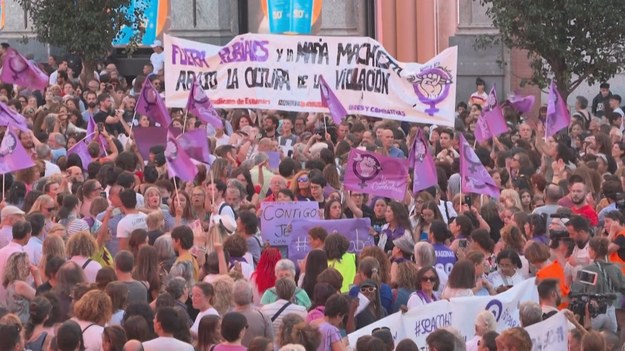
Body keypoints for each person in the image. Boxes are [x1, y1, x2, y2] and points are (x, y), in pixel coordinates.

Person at [232, 280, 274, 347]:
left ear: (233, 297)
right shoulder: (263, 316)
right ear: (251, 295)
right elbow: (271, 341)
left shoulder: (227, 318)